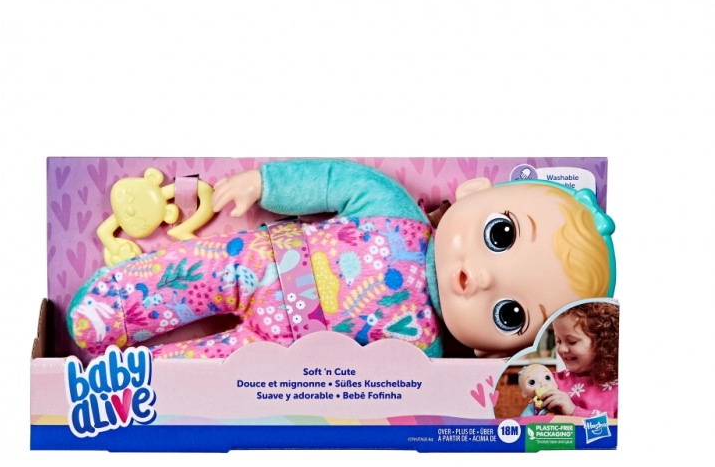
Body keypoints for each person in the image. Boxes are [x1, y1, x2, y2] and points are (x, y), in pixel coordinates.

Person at [68, 159, 616, 360]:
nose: (481, 277)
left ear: (493, 350)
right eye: (500, 234)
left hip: (279, 357)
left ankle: (127, 382)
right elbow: (334, 180)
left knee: (210, 372)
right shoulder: (394, 210)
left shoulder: (425, 354)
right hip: (262, 262)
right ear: (475, 193)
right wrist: (265, 183)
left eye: (510, 314)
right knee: (195, 270)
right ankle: (113, 305)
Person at [537, 301, 619, 418]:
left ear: (602, 343)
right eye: (558, 341)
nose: (562, 349)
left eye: (572, 341)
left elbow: (614, 427)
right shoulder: (552, 382)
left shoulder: (618, 390)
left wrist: (574, 411)